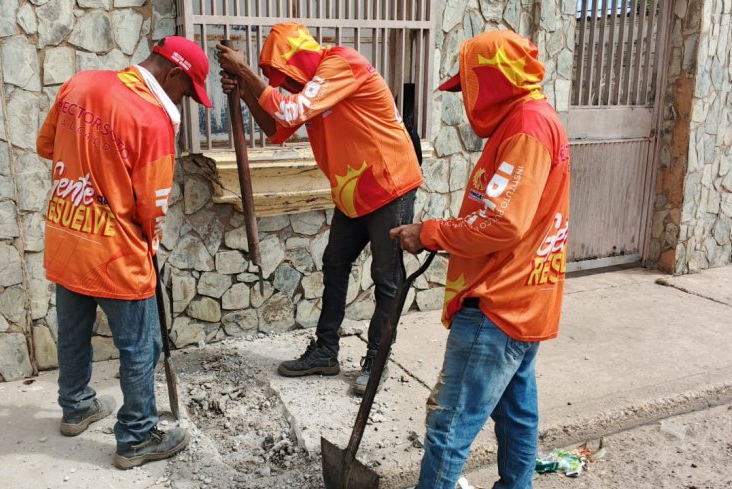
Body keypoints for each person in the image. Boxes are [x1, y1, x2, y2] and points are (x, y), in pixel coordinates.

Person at [391, 30, 571, 488]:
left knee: (448, 428)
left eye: (467, 88)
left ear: (489, 82)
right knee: (516, 416)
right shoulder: (530, 120)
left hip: (499, 300)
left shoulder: (528, 128)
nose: (465, 102)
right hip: (523, 297)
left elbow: (503, 223)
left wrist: (429, 232)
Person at [216, 23, 423, 393]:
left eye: (285, 77)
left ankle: (376, 361)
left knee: (386, 278)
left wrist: (246, 72)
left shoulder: (342, 64)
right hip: (354, 192)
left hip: (390, 186)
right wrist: (246, 93)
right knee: (335, 264)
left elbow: (292, 111)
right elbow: (277, 130)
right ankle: (326, 352)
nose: (285, 87)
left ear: (296, 60)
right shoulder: (312, 88)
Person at [36, 36, 212, 470]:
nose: (184, 99)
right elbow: (150, 206)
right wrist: (150, 240)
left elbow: (47, 147)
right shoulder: (152, 121)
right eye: (186, 90)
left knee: (73, 331)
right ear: (172, 74)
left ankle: (76, 406)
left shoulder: (79, 84)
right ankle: (136, 436)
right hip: (116, 253)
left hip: (67, 235)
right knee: (141, 345)